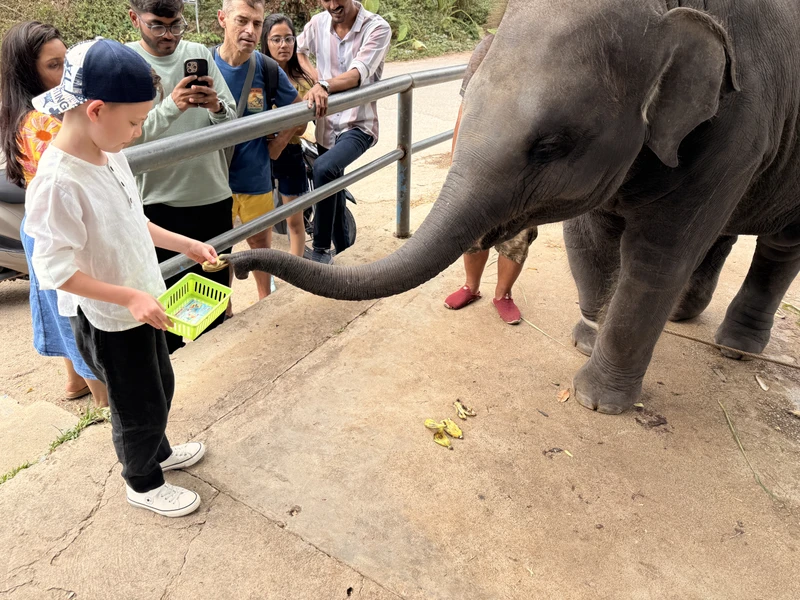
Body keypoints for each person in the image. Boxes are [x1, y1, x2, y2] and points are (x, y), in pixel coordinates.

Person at [25, 38, 216, 517]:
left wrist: (186, 245)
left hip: (140, 301)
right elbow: (56, 270)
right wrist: (128, 297)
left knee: (160, 384)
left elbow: (137, 222)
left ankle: (160, 451)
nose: (136, 132)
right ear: (94, 110)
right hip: (109, 315)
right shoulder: (58, 182)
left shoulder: (110, 155)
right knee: (135, 404)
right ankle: (143, 480)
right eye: (133, 122)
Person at [0, 21, 108, 407]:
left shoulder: (20, 113)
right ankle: (103, 401)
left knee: (55, 301)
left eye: (67, 63)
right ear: (27, 70)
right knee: (77, 311)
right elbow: (75, 176)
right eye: (53, 65)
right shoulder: (42, 122)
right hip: (60, 225)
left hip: (38, 224)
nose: (64, 75)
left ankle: (74, 382)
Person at [126, 0, 237, 353]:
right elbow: (126, 135)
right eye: (157, 25)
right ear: (134, 18)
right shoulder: (127, 64)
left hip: (212, 195)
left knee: (213, 306)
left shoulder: (198, 53)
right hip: (157, 206)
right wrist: (173, 106)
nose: (169, 35)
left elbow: (233, 122)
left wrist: (215, 105)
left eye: (176, 25)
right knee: (167, 315)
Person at [443, 34, 537, 325]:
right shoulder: (487, 48)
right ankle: (471, 287)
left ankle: (502, 294)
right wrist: (455, 160)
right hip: (480, 157)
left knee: (518, 232)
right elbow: (465, 107)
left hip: (525, 165)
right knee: (471, 227)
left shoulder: (547, 49)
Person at [214, 0, 302, 301]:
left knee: (260, 247)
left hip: (255, 178)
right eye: (242, 21)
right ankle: (222, 312)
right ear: (222, 19)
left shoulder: (266, 68)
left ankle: (266, 303)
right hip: (213, 182)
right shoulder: (205, 65)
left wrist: (277, 144)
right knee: (216, 253)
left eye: (257, 23)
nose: (250, 31)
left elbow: (298, 109)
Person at [297, 0, 391, 264]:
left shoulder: (376, 27)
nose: (333, 4)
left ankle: (320, 250)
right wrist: (315, 78)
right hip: (326, 126)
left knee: (324, 169)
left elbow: (357, 74)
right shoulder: (317, 23)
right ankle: (345, 249)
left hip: (358, 125)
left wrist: (325, 85)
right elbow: (298, 50)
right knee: (333, 191)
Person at [262, 13, 315, 259]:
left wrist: (281, 140)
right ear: (266, 42)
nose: (283, 45)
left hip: (290, 153)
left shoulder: (301, 80)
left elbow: (302, 126)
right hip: (259, 154)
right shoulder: (256, 75)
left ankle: (296, 270)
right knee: (261, 226)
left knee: (295, 220)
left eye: (288, 39)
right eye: (276, 40)